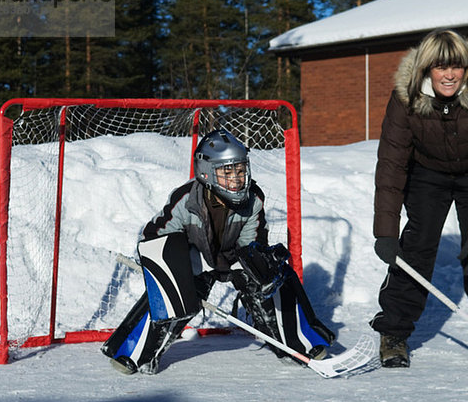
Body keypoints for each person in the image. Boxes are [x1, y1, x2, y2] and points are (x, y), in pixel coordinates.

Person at [102, 129, 335, 374]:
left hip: (233, 258)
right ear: (206, 172)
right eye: (227, 172)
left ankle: (299, 344)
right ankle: (133, 352)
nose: (236, 178)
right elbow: (154, 236)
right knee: (174, 295)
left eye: (240, 169)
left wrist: (259, 266)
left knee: (276, 280)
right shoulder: (186, 199)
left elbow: (252, 242)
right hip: (195, 259)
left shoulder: (253, 199)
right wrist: (170, 271)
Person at [369, 29, 468, 368]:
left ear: (467, 68)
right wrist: (386, 233)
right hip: (426, 175)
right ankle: (393, 333)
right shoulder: (406, 97)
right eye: (440, 67)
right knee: (416, 246)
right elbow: (392, 165)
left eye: (456, 67)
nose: (449, 75)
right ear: (425, 69)